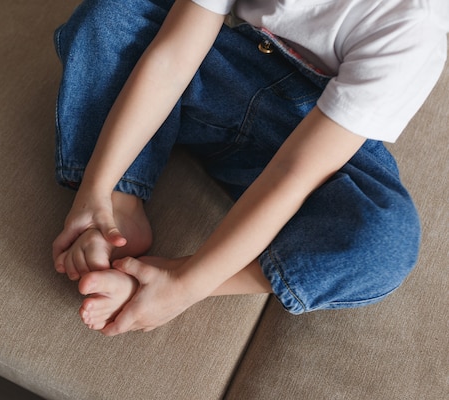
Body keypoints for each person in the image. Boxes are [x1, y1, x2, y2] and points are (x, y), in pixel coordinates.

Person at [51, 0, 448, 336]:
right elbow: (171, 62)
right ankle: (119, 211)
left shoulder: (413, 26)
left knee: (384, 241)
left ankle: (161, 278)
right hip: (226, 70)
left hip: (317, 133)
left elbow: (295, 173)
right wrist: (97, 188)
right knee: (112, 15)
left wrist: (186, 286)